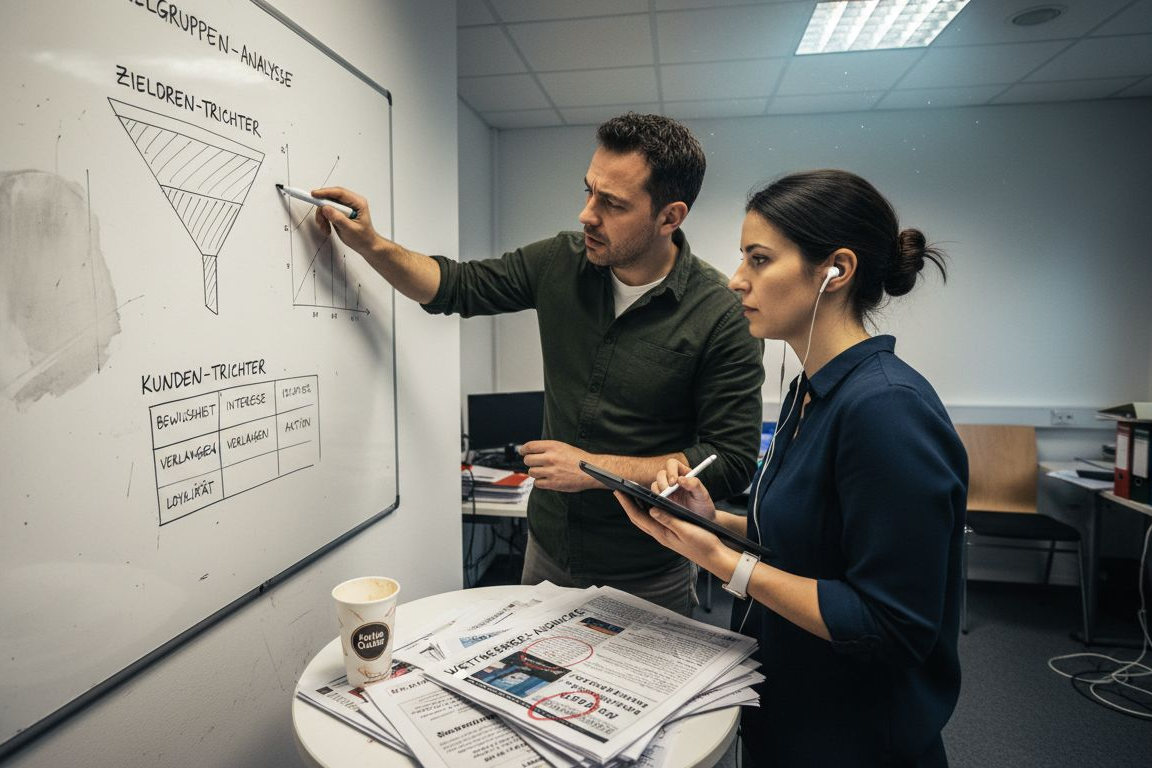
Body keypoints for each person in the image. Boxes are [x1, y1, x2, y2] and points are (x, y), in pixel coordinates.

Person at [313, 113, 765, 615]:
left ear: (669, 217)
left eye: (612, 204)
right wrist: (371, 244)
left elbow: (731, 460)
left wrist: (594, 471)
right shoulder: (559, 262)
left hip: (651, 565)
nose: (587, 215)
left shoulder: (721, 312)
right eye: (590, 191)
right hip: (547, 550)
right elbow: (454, 285)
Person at [615, 169, 967, 766]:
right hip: (788, 712)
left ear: (837, 270)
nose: (736, 280)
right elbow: (815, 544)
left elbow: (889, 623)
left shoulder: (886, 410)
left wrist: (721, 562)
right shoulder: (812, 391)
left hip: (854, 742)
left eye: (759, 259)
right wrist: (717, 522)